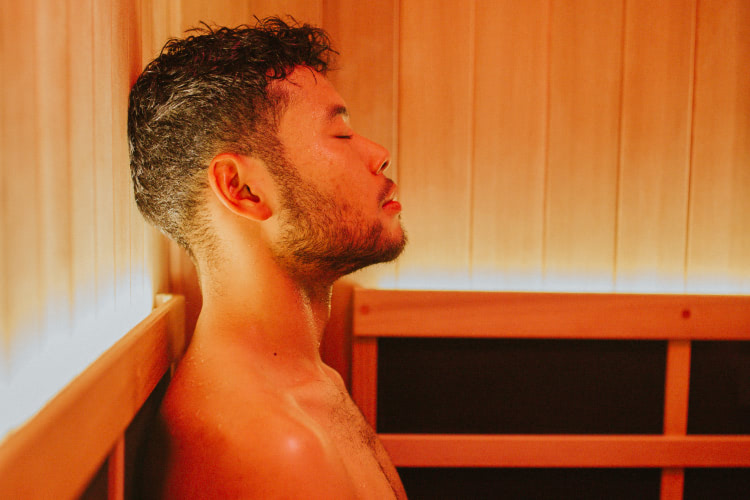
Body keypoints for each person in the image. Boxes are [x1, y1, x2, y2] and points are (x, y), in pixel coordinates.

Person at [128, 17, 407, 499]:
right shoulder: (273, 449)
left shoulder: (311, 381)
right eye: (339, 135)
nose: (378, 154)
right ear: (242, 189)